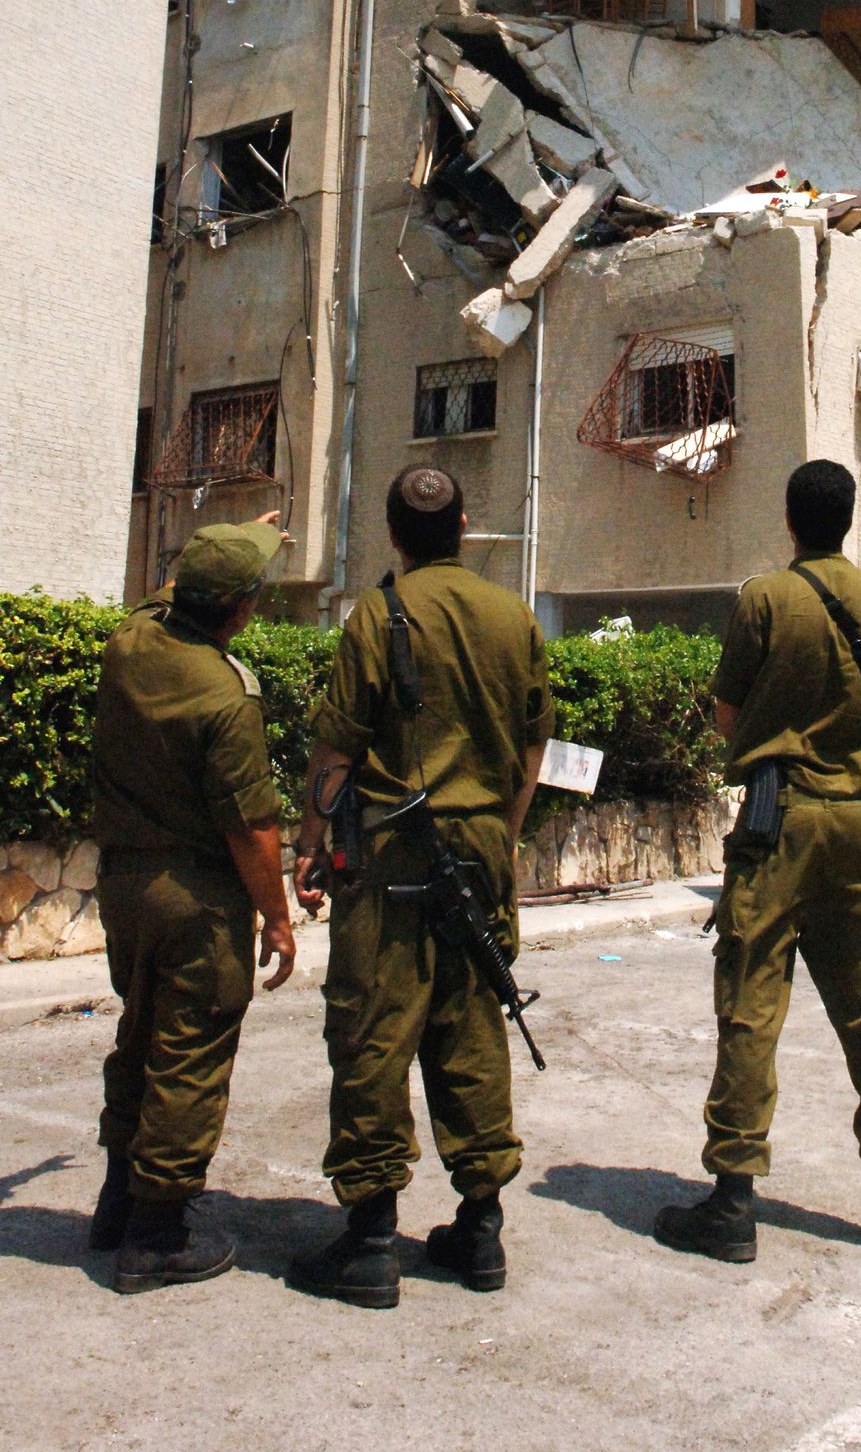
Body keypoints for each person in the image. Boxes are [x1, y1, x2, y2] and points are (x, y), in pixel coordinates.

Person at [654, 459, 861, 1264]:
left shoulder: (765, 600)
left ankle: (734, 1200)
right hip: (859, 823)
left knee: (751, 1004)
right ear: (848, 519)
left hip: (778, 824)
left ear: (790, 519)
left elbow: (725, 714)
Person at [288, 466, 554, 1309]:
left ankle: (370, 1239)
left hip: (395, 845)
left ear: (395, 536)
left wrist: (309, 840)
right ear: (465, 526)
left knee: (374, 1021)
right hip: (479, 840)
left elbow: (336, 749)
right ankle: (479, 1226)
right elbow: (534, 746)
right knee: (472, 1019)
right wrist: (502, 839)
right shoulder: (513, 616)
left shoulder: (377, 614)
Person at [89, 513, 297, 1294]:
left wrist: (240, 534)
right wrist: (275, 918)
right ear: (241, 610)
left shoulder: (130, 642)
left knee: (138, 1033)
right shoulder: (225, 693)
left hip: (123, 884)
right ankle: (155, 1234)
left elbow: (163, 594)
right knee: (190, 1055)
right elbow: (252, 824)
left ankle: (117, 1201)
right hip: (195, 897)